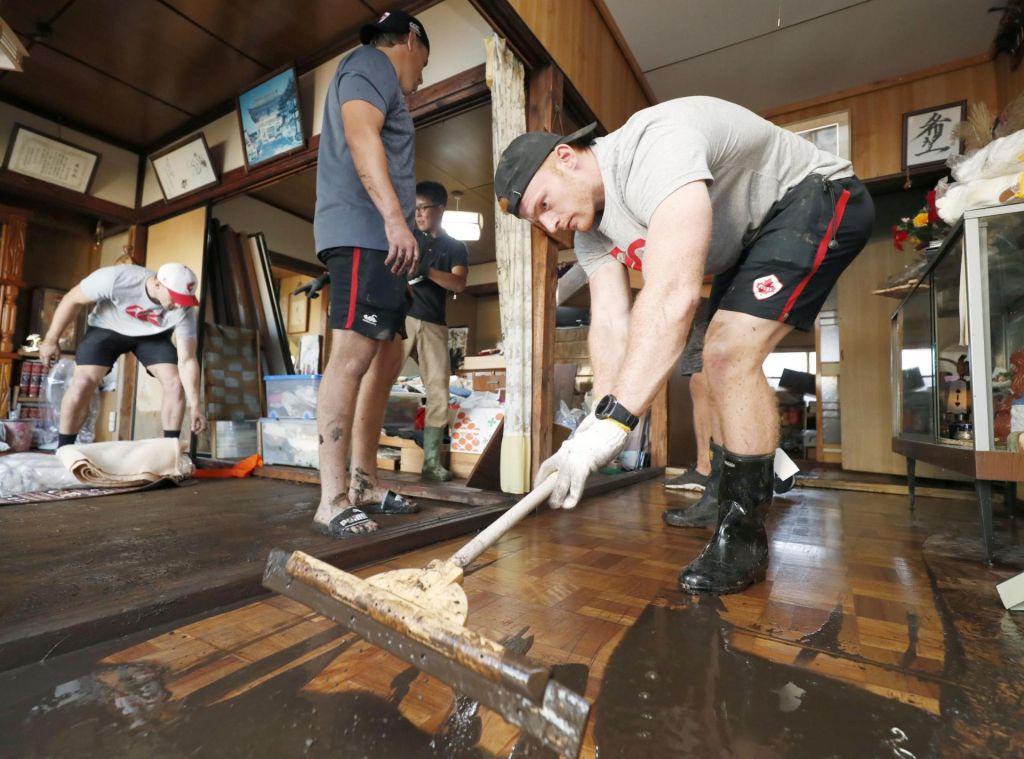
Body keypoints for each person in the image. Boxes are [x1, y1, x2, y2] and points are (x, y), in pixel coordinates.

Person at [493, 96, 874, 595]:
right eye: (535, 221)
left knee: (728, 354)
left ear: (566, 157)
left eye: (544, 204)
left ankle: (743, 536)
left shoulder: (652, 146)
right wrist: (592, 424)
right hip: (752, 240)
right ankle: (720, 492)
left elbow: (672, 294)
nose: (549, 225)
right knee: (705, 371)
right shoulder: (591, 233)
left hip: (815, 197)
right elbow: (610, 324)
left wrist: (616, 424)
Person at [310, 10, 430, 538]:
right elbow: (363, 139)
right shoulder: (370, 65)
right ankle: (332, 498)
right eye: (425, 60)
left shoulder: (378, 77)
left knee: (385, 359)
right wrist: (394, 221)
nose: (423, 73)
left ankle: (364, 483)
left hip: (381, 240)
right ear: (409, 39)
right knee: (353, 356)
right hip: (366, 233)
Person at [38, 262, 207, 445]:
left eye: (183, 299)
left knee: (175, 383)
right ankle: (64, 448)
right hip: (107, 327)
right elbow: (71, 299)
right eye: (174, 297)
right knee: (82, 383)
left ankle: (170, 450)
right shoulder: (116, 279)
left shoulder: (183, 308)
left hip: (153, 335)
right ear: (158, 284)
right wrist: (50, 339)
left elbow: (187, 360)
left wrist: (197, 406)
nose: (178, 304)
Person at [404, 180, 469, 481]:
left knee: (438, 390)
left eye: (423, 209)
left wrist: (427, 271)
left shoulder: (455, 247)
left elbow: (458, 283)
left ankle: (431, 462)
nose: (418, 214)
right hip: (401, 316)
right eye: (415, 208)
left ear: (440, 209)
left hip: (434, 322)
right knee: (378, 379)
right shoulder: (406, 236)